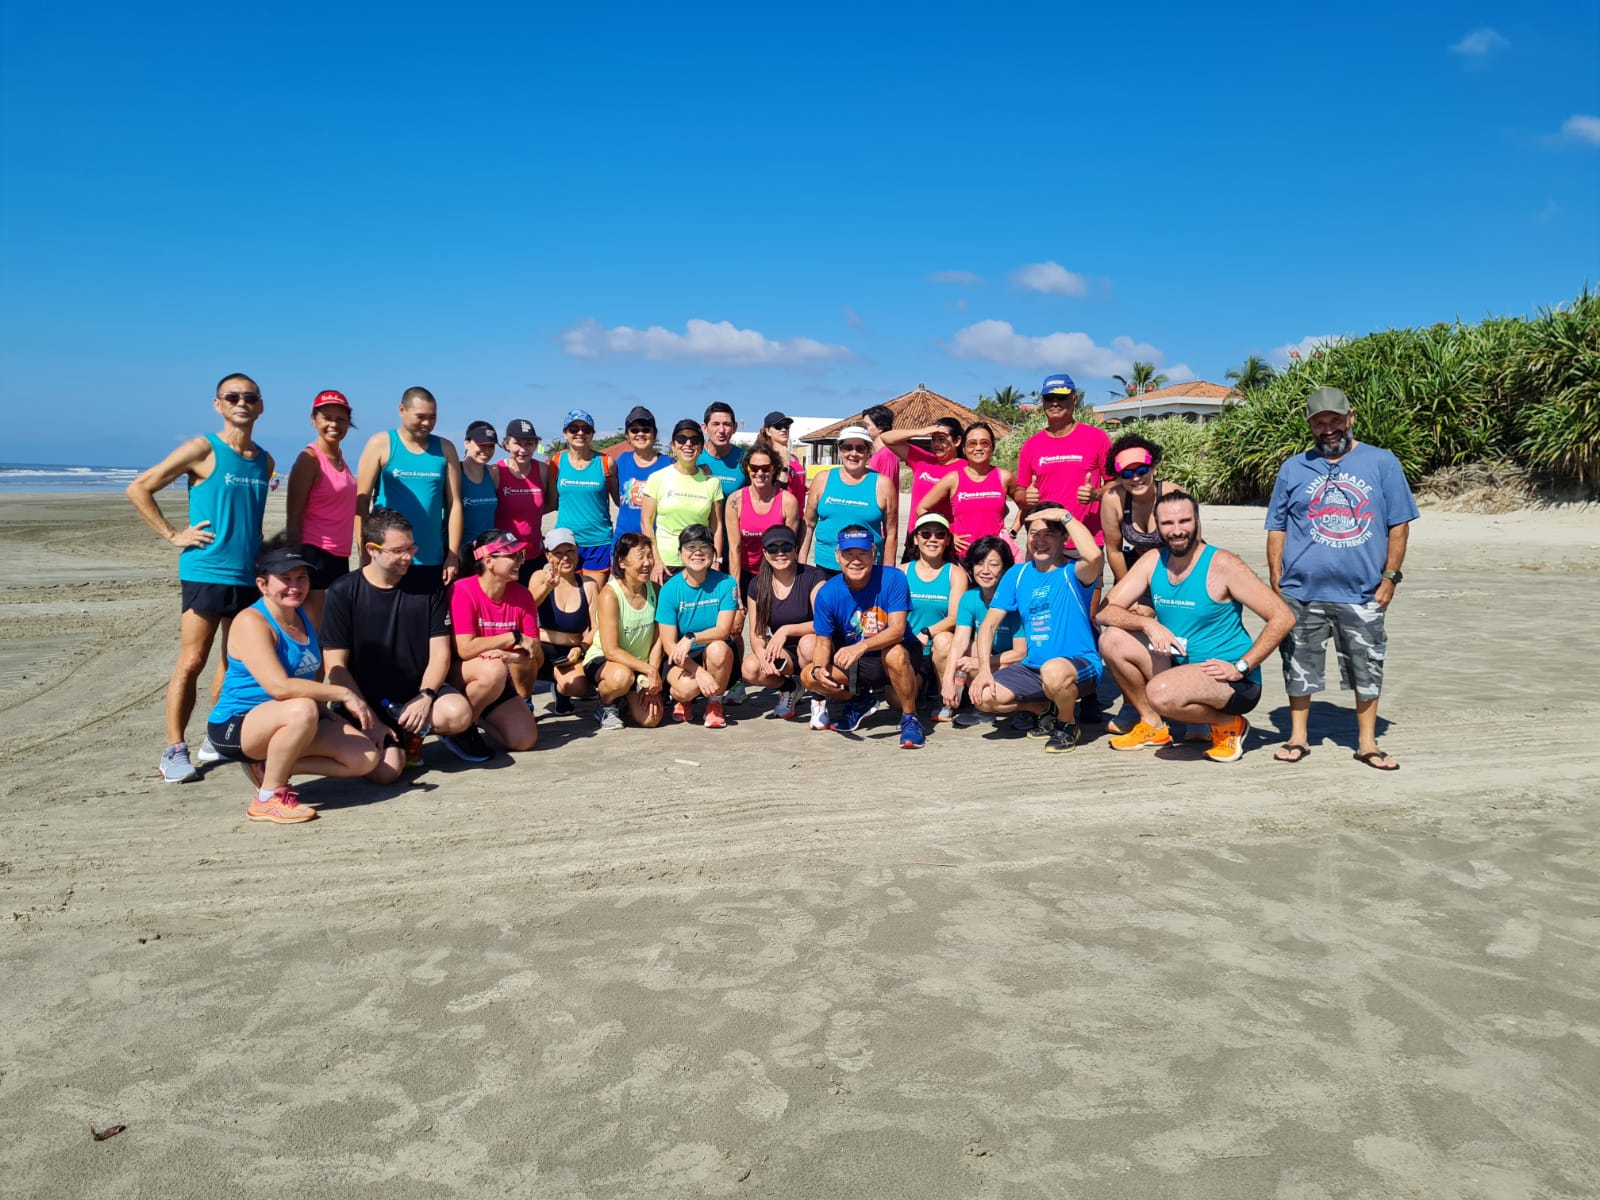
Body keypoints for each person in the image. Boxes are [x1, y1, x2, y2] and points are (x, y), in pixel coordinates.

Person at [127, 372, 274, 783]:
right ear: (218, 404)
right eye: (232, 396)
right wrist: (174, 535)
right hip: (206, 571)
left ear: (261, 406)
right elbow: (139, 488)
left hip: (248, 575)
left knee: (235, 660)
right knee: (192, 660)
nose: (241, 403)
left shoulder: (265, 461)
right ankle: (174, 750)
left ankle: (215, 739)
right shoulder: (202, 449)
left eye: (250, 397)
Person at [1265, 386, 1418, 769]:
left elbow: (1399, 525)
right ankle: (1298, 737)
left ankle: (1367, 743)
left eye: (1335, 420)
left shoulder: (1382, 462)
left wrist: (1390, 578)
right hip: (1301, 592)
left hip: (1363, 591)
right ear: (1310, 426)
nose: (1328, 429)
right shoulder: (1293, 468)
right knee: (1298, 665)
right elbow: (1277, 526)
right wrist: (1275, 576)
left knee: (1367, 666)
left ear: (1351, 418)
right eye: (1320, 423)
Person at [1097, 490, 1295, 763]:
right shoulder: (1153, 560)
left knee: (1160, 693)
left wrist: (1242, 666)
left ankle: (1229, 724)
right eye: (1168, 523)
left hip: (1228, 677)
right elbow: (1106, 610)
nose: (1177, 530)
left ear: (1197, 522)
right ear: (1158, 527)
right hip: (1176, 663)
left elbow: (1282, 617)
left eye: (1184, 521)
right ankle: (1153, 725)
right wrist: (1147, 623)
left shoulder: (1223, 564)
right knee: (1112, 640)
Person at [203, 539, 381, 823]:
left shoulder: (303, 616)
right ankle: (268, 798)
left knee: (365, 757)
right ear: (262, 585)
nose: (295, 587)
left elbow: (304, 678)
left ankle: (268, 767)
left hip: (290, 718)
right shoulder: (251, 621)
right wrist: (342, 694)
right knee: (304, 708)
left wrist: (325, 711)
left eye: (301, 578)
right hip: (237, 725)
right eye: (285, 579)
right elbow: (280, 687)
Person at [321, 507, 476, 783]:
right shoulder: (343, 591)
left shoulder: (428, 586)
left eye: (411, 548)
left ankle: (409, 735)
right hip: (365, 700)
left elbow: (440, 653)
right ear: (372, 549)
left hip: (414, 692)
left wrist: (425, 696)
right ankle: (376, 738)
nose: (408, 557)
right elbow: (336, 667)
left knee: (458, 714)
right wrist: (369, 718)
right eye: (398, 550)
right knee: (387, 773)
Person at [969, 504, 1104, 753]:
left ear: (1064, 538)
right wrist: (984, 670)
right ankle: (1044, 709)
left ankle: (1066, 724)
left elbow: (1094, 555)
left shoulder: (1075, 572)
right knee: (983, 696)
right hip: (1034, 668)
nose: (1040, 541)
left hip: (1079, 664)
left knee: (1054, 671)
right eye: (1034, 534)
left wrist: (1065, 517)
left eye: (1049, 534)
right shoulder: (1017, 574)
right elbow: (988, 625)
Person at [802, 525, 926, 747]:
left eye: (862, 553)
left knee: (894, 658)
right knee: (809, 676)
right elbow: (822, 642)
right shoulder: (827, 592)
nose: (855, 561)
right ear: (837, 556)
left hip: (897, 650)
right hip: (859, 662)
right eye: (848, 554)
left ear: (874, 554)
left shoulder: (893, 578)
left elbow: (897, 631)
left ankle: (910, 718)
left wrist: (861, 646)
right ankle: (859, 700)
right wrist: (820, 668)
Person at [355, 386, 463, 595]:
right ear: (402, 410)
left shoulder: (445, 448)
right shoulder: (381, 444)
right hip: (387, 558)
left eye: (432, 417)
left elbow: (455, 504)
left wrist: (452, 554)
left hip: (431, 557)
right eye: (420, 417)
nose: (427, 423)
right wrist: (364, 551)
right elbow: (361, 501)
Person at [449, 529, 543, 755]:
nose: (520, 561)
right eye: (513, 556)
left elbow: (533, 650)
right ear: (488, 560)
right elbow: (465, 648)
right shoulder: (462, 590)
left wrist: (509, 655)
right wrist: (511, 638)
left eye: (520, 555)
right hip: (459, 676)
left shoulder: (523, 595)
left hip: (495, 678)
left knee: (524, 740)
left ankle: (474, 719)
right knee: (493, 670)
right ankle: (460, 730)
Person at [284, 390, 358, 629]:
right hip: (315, 554)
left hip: (339, 555)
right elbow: (293, 516)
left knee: (334, 628)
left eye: (340, 419)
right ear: (314, 420)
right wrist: (295, 563)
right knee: (318, 630)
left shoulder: (340, 457)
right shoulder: (309, 459)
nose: (334, 424)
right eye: (327, 418)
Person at [656, 524, 741, 727]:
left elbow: (723, 631)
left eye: (704, 547)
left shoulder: (727, 583)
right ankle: (683, 700)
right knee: (685, 689)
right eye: (691, 547)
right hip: (681, 656)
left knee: (719, 648)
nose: (698, 553)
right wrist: (699, 671)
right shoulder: (669, 589)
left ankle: (714, 703)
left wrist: (692, 638)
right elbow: (669, 645)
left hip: (713, 652)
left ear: (713, 552)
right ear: (680, 553)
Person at [1012, 373, 1112, 545]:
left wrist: (1096, 495)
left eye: (1061, 397)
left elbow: (1116, 484)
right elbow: (1019, 492)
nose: (1055, 403)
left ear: (1074, 399)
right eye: (1049, 398)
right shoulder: (1030, 445)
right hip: (1043, 542)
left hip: (1085, 541)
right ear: (1042, 402)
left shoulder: (1097, 438)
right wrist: (1025, 497)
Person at [741, 524, 828, 720]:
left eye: (786, 547)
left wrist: (786, 630)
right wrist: (761, 653)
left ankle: (819, 700)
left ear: (795, 549)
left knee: (807, 644)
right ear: (765, 553)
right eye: (773, 548)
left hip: (817, 646)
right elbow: (757, 632)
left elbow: (823, 623)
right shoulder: (757, 585)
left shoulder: (814, 576)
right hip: (784, 652)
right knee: (750, 669)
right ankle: (790, 687)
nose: (780, 553)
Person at [581, 532, 666, 730]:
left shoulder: (656, 590)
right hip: (606, 661)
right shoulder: (610, 595)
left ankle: (625, 698)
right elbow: (611, 650)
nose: (647, 563)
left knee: (651, 720)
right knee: (621, 677)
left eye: (650, 556)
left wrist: (651, 674)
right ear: (622, 562)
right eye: (640, 557)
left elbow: (657, 640)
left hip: (640, 665)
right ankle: (606, 705)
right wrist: (649, 670)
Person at [942, 537, 1026, 726]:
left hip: (1017, 661)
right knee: (965, 654)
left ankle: (1028, 709)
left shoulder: (1014, 600)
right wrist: (947, 679)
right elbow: (960, 640)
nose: (985, 570)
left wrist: (980, 662)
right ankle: (981, 707)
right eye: (979, 563)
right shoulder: (969, 598)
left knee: (981, 663)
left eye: (993, 564)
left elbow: (1021, 652)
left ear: (1005, 569)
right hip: (993, 656)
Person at [803, 425, 898, 572]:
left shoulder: (883, 484)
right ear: (840, 450)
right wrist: (801, 566)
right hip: (826, 567)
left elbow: (891, 533)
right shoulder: (822, 479)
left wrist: (888, 573)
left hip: (867, 568)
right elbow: (808, 525)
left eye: (860, 449)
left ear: (869, 452)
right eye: (847, 448)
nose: (853, 453)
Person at [640, 419, 725, 582]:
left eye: (694, 440)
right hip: (665, 565)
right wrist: (656, 560)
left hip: (699, 562)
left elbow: (717, 526)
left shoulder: (712, 483)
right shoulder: (657, 478)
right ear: (673, 445)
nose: (688, 444)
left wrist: (716, 560)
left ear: (701, 447)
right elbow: (646, 522)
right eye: (681, 439)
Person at [527, 528, 599, 715]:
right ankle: (525, 700)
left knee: (580, 688)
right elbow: (526, 610)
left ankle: (560, 690)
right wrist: (547, 587)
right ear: (548, 555)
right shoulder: (539, 577)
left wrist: (581, 647)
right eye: (558, 553)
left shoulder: (588, 585)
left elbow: (596, 627)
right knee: (523, 655)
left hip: (570, 654)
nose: (565, 558)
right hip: (540, 652)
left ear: (577, 552)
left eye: (570, 551)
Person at [918, 422, 1014, 559]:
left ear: (992, 447)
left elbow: (1026, 506)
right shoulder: (953, 478)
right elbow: (922, 508)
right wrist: (949, 534)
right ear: (964, 448)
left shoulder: (1004, 477)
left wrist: (1013, 531)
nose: (978, 448)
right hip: (962, 557)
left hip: (995, 558)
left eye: (985, 443)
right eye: (972, 444)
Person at [902, 513, 967, 711]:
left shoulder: (955, 573)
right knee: (898, 700)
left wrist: (927, 632)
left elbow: (955, 617)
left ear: (947, 540)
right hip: (911, 648)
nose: (932, 539)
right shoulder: (902, 572)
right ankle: (922, 683)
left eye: (939, 534)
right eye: (925, 534)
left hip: (941, 649)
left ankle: (943, 696)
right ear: (915, 539)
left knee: (944, 640)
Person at [547, 408, 618, 581]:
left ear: (592, 434)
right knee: (569, 595)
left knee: (593, 594)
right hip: (565, 542)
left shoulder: (606, 462)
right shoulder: (557, 462)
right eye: (574, 429)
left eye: (586, 429)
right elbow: (551, 502)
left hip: (599, 541)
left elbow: (620, 501)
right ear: (565, 433)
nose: (580, 433)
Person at [724, 443, 801, 591]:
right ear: (747, 469)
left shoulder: (788, 501)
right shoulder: (735, 501)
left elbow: (789, 549)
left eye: (766, 468)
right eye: (754, 468)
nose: (759, 473)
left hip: (776, 572)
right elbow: (734, 549)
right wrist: (736, 588)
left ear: (774, 469)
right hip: (745, 572)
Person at [878, 417, 964, 546]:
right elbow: (886, 438)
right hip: (916, 538)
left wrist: (952, 534)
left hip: (944, 539)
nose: (936, 444)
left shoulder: (965, 469)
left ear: (957, 441)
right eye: (933, 439)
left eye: (941, 439)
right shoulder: (922, 459)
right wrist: (921, 431)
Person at [1098, 434, 1167, 583]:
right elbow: (1114, 551)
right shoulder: (1113, 500)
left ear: (1154, 469)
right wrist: (1126, 588)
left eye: (1142, 471)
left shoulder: (1173, 495)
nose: (1135, 478)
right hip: (1139, 567)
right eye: (1127, 474)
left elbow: (1192, 548)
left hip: (1176, 569)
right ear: (1119, 478)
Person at [495, 418, 547, 581]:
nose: (523, 450)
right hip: (505, 556)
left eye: (529, 444)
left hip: (535, 554)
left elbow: (552, 504)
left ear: (535, 445)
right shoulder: (496, 471)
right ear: (506, 444)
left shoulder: (543, 470)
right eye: (517, 443)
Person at [612, 405, 669, 539]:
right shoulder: (621, 461)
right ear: (627, 435)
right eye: (634, 430)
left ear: (654, 433)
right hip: (625, 539)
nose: (640, 434)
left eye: (646, 430)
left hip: (656, 540)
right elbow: (616, 496)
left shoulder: (668, 464)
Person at [458, 420, 501, 545]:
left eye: (491, 446)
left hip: (487, 550)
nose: (486, 451)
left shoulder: (493, 473)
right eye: (482, 445)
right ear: (467, 443)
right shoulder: (455, 472)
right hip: (461, 550)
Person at [757, 410, 807, 508]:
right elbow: (773, 490)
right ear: (768, 431)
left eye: (786, 426)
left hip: (798, 513)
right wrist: (784, 467)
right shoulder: (767, 457)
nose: (783, 429)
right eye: (778, 426)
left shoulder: (794, 458)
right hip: (781, 511)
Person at [697, 402, 746, 498]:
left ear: (735, 427)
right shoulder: (694, 457)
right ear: (705, 428)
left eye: (727, 424)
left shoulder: (745, 460)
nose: (721, 430)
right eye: (715, 424)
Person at [861, 404, 901, 480]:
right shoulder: (877, 454)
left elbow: (887, 484)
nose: (863, 429)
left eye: (866, 426)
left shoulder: (886, 455)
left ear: (880, 428)